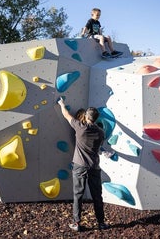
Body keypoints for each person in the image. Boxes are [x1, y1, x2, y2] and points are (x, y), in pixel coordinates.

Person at [57, 98, 109, 231]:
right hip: (94, 167)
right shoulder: (101, 133)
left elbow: (66, 114)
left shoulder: (80, 127)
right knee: (97, 196)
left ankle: (76, 223)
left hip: (79, 166)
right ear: (96, 119)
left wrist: (62, 104)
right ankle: (101, 223)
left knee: (78, 195)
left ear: (86, 116)